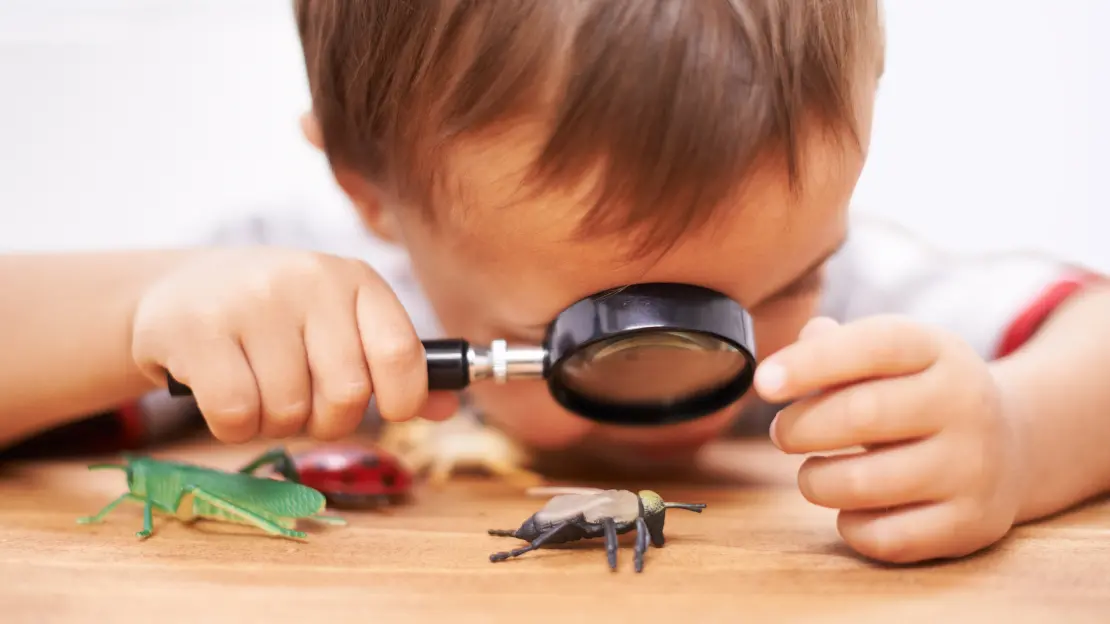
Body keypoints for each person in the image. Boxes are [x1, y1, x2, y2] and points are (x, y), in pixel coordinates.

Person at [1, 0, 1108, 565]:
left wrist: (1016, 432)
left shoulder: (863, 310)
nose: (707, 375)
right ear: (374, 195)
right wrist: (136, 314)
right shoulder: (294, 297)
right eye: (608, 327)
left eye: (785, 284)